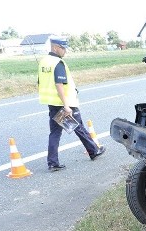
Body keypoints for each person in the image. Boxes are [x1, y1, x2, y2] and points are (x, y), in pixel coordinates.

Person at [38, 36, 105, 172]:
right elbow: (59, 84)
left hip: (52, 104)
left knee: (55, 133)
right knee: (79, 127)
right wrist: (66, 105)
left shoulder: (44, 62)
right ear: (55, 47)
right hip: (65, 104)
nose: (65, 51)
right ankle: (93, 151)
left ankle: (52, 163)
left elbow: (40, 82)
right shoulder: (58, 63)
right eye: (63, 48)